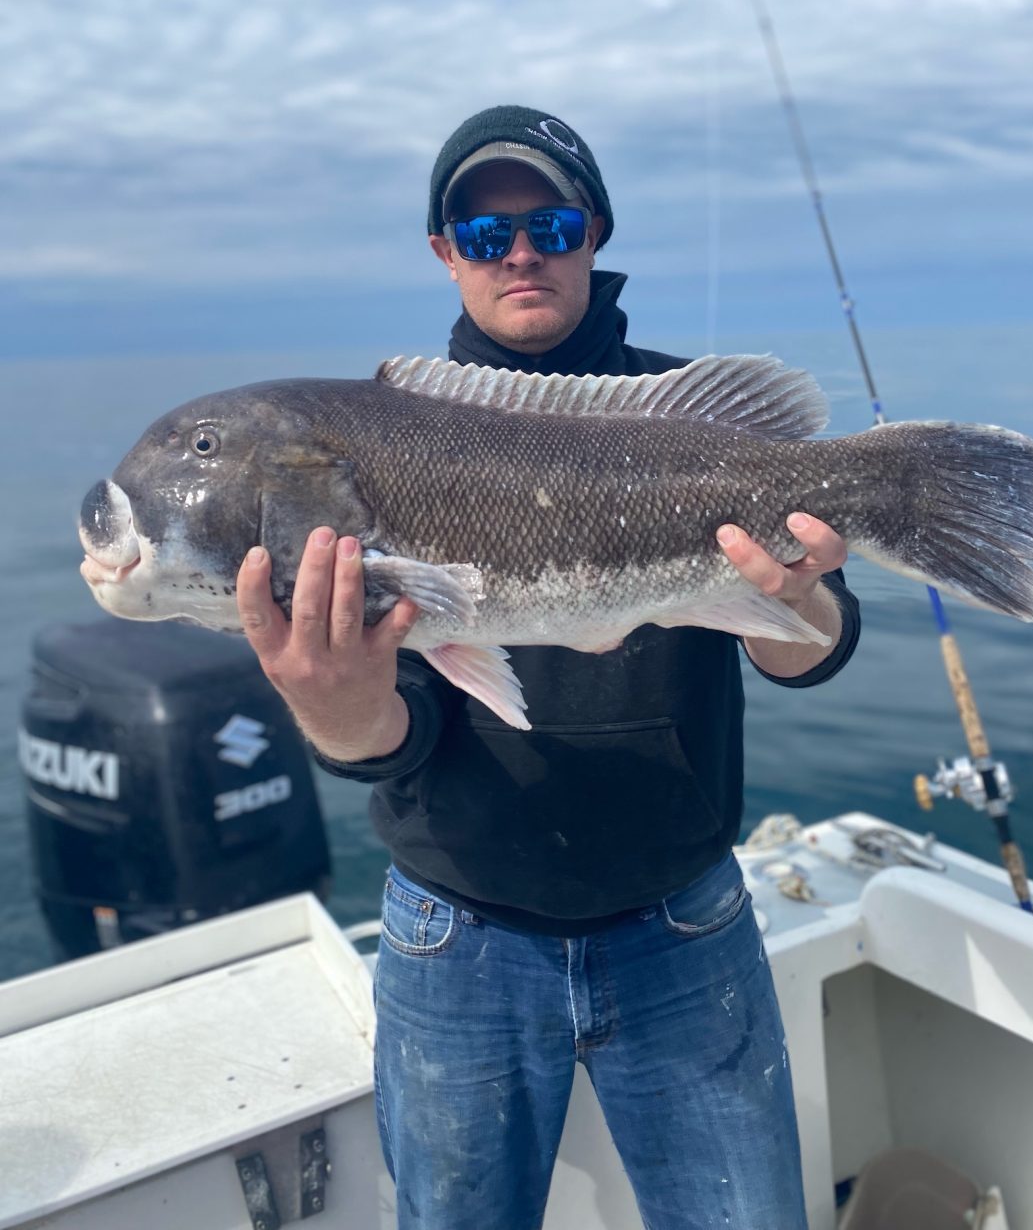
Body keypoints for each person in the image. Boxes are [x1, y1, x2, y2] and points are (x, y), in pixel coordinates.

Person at [236, 106, 861, 1230]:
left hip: (684, 921)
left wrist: (792, 601)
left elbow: (809, 649)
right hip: (455, 938)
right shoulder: (377, 442)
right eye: (484, 235)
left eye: (551, 223)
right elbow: (400, 735)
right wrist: (336, 713)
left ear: (594, 234)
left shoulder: (697, 418)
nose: (519, 251)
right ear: (445, 254)